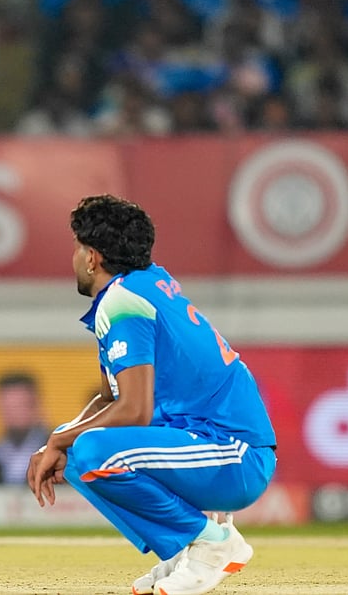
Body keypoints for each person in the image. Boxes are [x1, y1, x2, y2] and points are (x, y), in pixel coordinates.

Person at [26, 195, 277, 595]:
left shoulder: (122, 302)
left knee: (91, 450)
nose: (73, 258)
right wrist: (59, 439)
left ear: (92, 257)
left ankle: (213, 543)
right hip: (216, 448)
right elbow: (112, 396)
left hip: (235, 456)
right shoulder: (146, 285)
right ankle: (186, 550)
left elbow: (134, 409)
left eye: (77, 248)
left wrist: (58, 439)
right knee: (80, 452)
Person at [0, 372, 49, 485]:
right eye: (7, 408)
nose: (13, 415)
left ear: (36, 406)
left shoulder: (62, 455)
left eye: (20, 406)